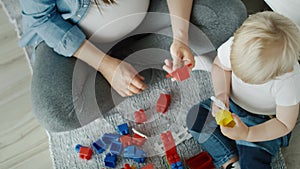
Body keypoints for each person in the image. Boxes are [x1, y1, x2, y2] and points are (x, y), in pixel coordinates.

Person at [19, 0, 247, 132]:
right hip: (79, 39)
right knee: (56, 113)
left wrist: (180, 36)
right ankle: (124, 67)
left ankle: (143, 59)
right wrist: (106, 66)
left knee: (228, 14)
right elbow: (42, 19)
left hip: (146, 13)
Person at [187, 11, 300, 169]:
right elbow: (220, 66)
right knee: (196, 117)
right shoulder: (236, 46)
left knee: (254, 163)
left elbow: (284, 124)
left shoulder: (289, 81)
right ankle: (231, 162)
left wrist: (248, 134)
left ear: (282, 71)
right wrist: (222, 94)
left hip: (263, 121)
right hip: (233, 104)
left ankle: (242, 153)